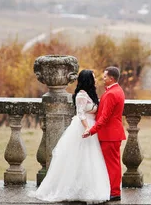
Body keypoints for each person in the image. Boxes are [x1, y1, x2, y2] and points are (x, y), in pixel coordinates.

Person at [29, 69, 110, 204]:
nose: (95, 80)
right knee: (78, 158)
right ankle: (71, 188)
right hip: (83, 128)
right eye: (93, 78)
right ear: (88, 80)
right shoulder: (81, 96)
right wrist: (87, 129)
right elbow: (81, 114)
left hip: (91, 127)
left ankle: (86, 187)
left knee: (90, 159)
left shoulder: (90, 94)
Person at [83, 66, 126, 201]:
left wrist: (91, 130)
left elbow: (104, 118)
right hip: (113, 134)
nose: (103, 79)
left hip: (109, 135)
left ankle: (114, 192)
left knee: (111, 165)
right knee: (114, 164)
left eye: (105, 77)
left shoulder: (111, 94)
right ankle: (113, 190)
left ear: (112, 78)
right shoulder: (117, 90)